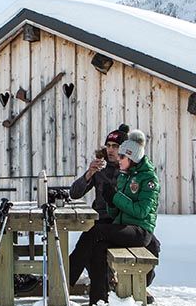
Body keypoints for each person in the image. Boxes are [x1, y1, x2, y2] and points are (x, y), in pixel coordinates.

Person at [68, 125, 161, 295]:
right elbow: (74, 193)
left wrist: (115, 197)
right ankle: (97, 296)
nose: (110, 150)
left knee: (153, 245)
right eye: (108, 145)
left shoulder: (133, 172)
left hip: (129, 222)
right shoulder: (100, 168)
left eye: (115, 147)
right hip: (106, 219)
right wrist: (89, 174)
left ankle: (138, 287)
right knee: (94, 240)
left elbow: (142, 209)